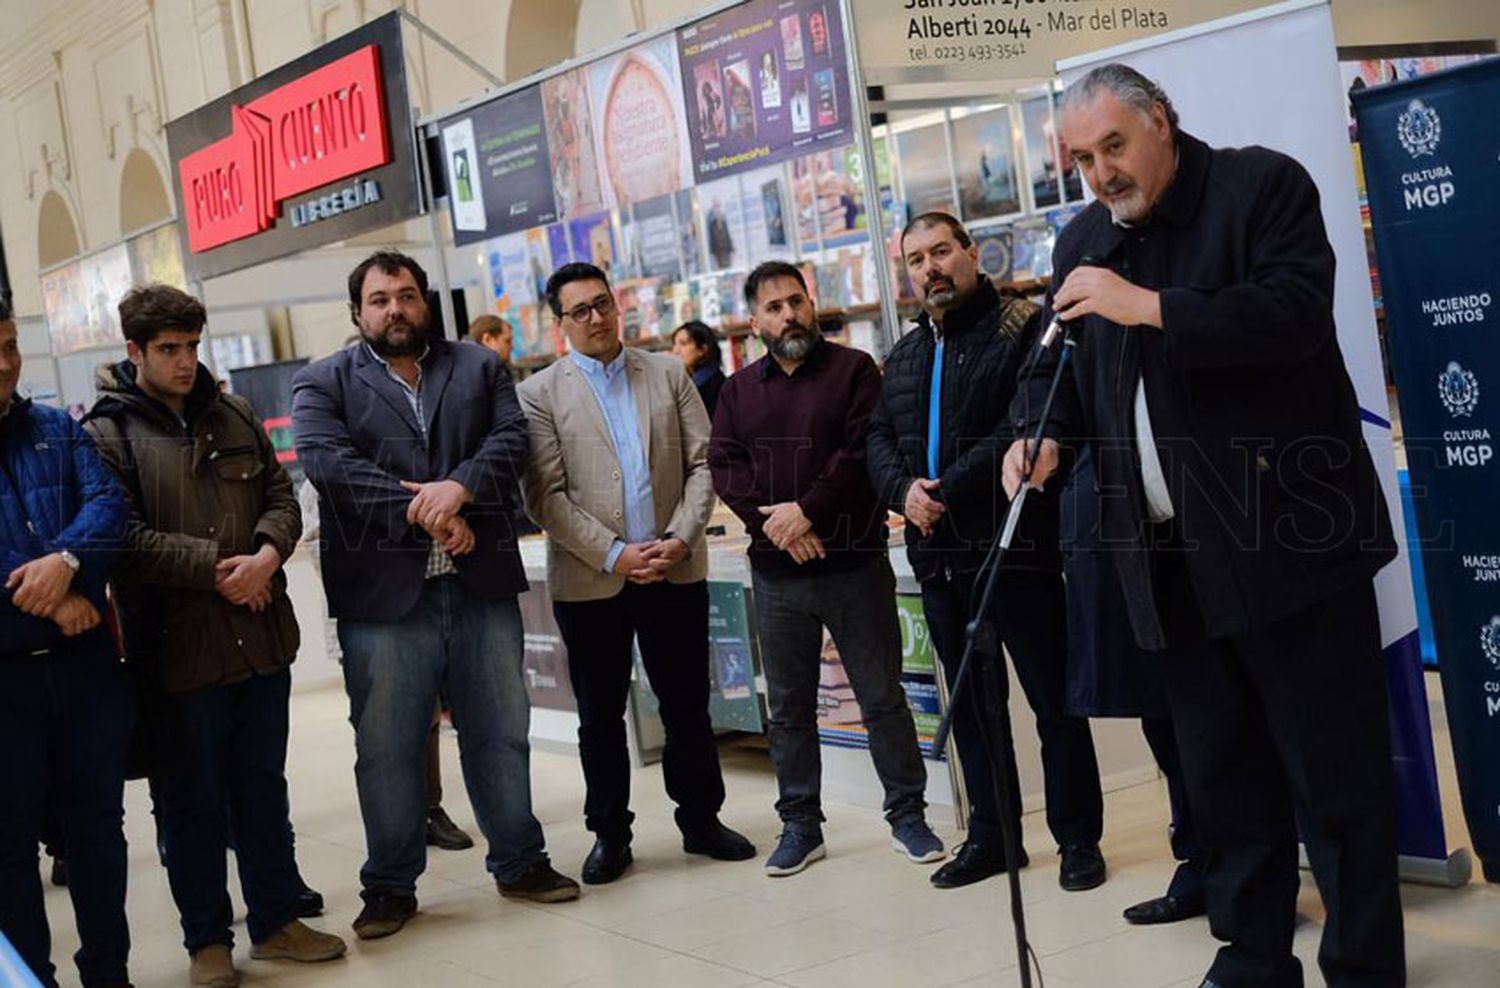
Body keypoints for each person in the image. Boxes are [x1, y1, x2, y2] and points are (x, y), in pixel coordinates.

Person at [1003, 65, 1404, 988]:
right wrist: (1041, 437)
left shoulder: (1260, 187)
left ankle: (1364, 967)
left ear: (1163, 124)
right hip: (1169, 562)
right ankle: (1255, 955)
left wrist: (1149, 307)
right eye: (1082, 159)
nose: (1101, 174)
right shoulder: (1083, 242)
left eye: (1114, 147)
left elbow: (1295, 317)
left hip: (1290, 547)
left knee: (1336, 786)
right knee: (1225, 781)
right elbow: (1050, 371)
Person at [294, 251, 578, 941]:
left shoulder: (477, 367)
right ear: (357, 312)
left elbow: (514, 440)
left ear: (427, 302)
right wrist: (427, 510)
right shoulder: (323, 381)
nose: (396, 309)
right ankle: (390, 887)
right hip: (384, 602)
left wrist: (463, 489)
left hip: (478, 588)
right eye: (380, 299)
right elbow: (329, 464)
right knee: (388, 747)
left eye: (408, 295)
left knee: (501, 734)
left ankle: (520, 861)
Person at [83, 285, 345, 986]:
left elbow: (281, 497)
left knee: (262, 788)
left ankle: (278, 919)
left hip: (260, 636)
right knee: (190, 802)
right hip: (178, 651)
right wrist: (214, 568)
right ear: (134, 352)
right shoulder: (108, 435)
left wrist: (265, 554)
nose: (184, 362)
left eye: (193, 347)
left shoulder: (232, 413)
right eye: (169, 349)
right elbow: (120, 538)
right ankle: (207, 942)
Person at [866, 212, 1106, 893]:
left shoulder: (1022, 326)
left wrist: (949, 485)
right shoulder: (905, 353)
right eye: (916, 260)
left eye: (942, 251)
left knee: (1054, 703)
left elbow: (1020, 424)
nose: (930, 268)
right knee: (973, 708)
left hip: (1014, 549)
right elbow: (878, 439)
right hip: (938, 558)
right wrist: (902, 490)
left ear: (972, 253)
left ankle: (1078, 841)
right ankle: (995, 838)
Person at [517, 262, 754, 885]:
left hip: (675, 569)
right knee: (598, 715)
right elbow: (545, 496)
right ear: (559, 322)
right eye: (580, 311)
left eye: (603, 304)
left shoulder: (668, 372)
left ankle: (702, 821)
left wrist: (679, 536)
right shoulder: (539, 394)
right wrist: (617, 553)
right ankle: (610, 836)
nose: (596, 319)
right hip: (594, 581)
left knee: (686, 705)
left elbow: (706, 463)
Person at [710, 260, 942, 877]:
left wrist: (805, 513)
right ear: (754, 321)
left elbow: (860, 452)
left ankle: (908, 816)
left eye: (796, 301)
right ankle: (800, 826)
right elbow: (726, 469)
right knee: (787, 708)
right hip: (777, 575)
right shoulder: (736, 392)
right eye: (774, 306)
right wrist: (778, 528)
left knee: (882, 697)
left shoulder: (854, 371)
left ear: (811, 305)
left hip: (855, 566)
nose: (789, 314)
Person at [0, 296, 134, 988]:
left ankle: (108, 973)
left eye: (9, 346)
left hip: (86, 678)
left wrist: (68, 565)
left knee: (98, 834)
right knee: (10, 849)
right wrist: (56, 604)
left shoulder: (57, 429)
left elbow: (113, 510)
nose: (4, 364)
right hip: (7, 686)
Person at [1059, 445, 1206, 925]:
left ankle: (1250, 875)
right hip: (1123, 536)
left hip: (1206, 523)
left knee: (1219, 722)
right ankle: (1200, 863)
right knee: (1160, 712)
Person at [670, 320, 726, 419]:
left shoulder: (715, 387)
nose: (675, 351)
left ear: (702, 349)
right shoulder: (690, 381)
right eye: (674, 344)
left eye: (683, 344)